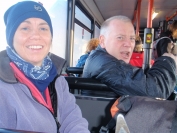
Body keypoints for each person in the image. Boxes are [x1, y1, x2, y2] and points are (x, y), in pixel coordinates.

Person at [0, 1, 90, 133]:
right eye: (25, 28)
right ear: (11, 38)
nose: (36, 36)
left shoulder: (57, 79)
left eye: (43, 28)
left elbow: (72, 119)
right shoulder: (3, 86)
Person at [82, 15, 177, 99]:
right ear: (102, 41)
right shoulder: (102, 63)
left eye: (132, 38)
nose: (129, 44)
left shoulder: (101, 58)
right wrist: (168, 59)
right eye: (120, 37)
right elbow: (156, 90)